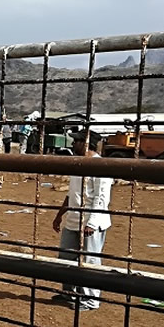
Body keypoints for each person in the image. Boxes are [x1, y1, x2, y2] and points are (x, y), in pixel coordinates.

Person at [51, 130, 112, 310]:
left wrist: (92, 222)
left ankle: (90, 299)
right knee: (66, 257)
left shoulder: (101, 166)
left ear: (86, 143)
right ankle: (69, 293)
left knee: (90, 261)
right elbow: (72, 194)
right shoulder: (78, 164)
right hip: (73, 219)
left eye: (76, 141)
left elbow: (101, 197)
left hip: (92, 222)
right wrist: (59, 215)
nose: (72, 144)